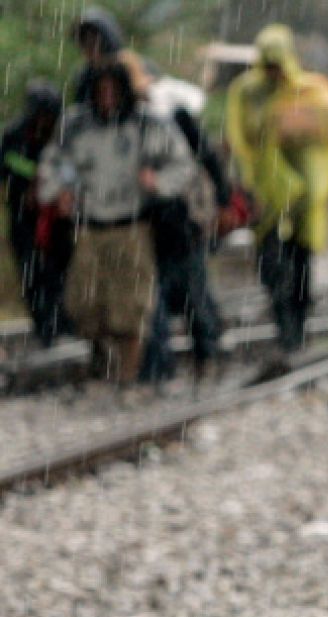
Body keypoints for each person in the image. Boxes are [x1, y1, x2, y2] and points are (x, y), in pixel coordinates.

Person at [37, 62, 194, 401]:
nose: (107, 96)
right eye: (101, 89)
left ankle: (127, 378)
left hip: (132, 225)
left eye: (113, 89)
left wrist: (160, 182)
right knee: (84, 305)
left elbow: (182, 163)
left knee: (132, 307)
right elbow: (53, 163)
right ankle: (101, 363)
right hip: (89, 226)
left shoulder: (145, 125)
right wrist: (57, 191)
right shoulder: (76, 125)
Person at [225, 25, 328, 372]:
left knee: (300, 264)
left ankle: (297, 330)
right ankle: (286, 331)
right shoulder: (247, 94)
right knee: (273, 266)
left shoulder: (311, 91)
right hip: (267, 196)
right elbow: (241, 138)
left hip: (306, 198)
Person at [125, 56, 230, 384]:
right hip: (144, 223)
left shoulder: (171, 116)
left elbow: (205, 157)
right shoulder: (121, 125)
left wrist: (223, 202)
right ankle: (160, 365)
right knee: (153, 296)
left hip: (180, 219)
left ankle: (206, 354)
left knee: (192, 290)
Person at [1, 81, 71, 347]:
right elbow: (7, 166)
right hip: (24, 217)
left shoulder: (65, 135)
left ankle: (62, 325)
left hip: (58, 217)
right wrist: (28, 182)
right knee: (31, 273)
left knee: (59, 273)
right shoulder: (15, 135)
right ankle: (45, 327)